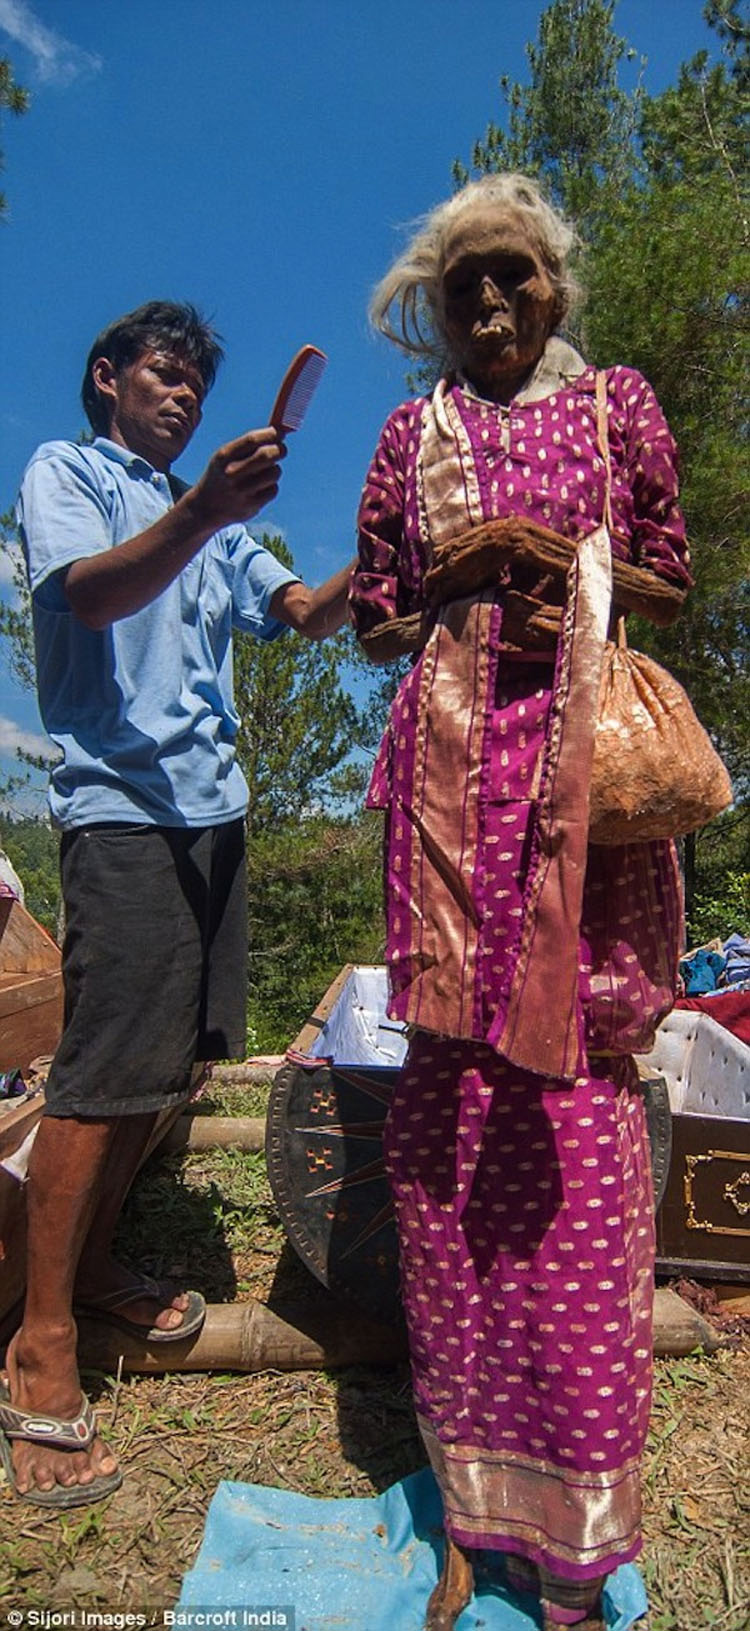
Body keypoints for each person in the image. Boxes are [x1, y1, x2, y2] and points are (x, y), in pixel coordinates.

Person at [350, 175, 692, 1631]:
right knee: (445, 1152)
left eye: (512, 281)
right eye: (460, 289)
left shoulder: (616, 408)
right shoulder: (407, 435)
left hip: (586, 816)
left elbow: (669, 575)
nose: (487, 309)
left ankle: (578, 1546)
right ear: (431, 306)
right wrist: (450, 570)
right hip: (441, 812)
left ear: (554, 284)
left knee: (575, 1138)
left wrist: (570, 575)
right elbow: (372, 615)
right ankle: (473, 1531)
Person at [0, 301, 353, 1509]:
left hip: (218, 817)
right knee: (100, 1074)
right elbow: (90, 596)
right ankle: (40, 1343)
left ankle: (94, 1268)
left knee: (173, 1066)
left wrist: (399, 544)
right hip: (123, 813)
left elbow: (303, 613)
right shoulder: (73, 474)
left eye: (198, 386)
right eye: (163, 376)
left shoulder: (227, 524)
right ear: (107, 378)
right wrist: (201, 504)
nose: (184, 398)